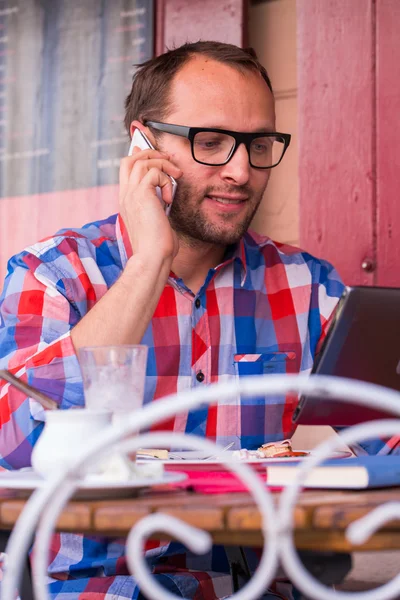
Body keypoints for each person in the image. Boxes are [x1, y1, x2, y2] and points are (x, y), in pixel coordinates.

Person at [0, 40, 398, 600]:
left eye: (258, 144)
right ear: (143, 145)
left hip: (256, 587)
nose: (241, 171)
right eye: (210, 143)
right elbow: (11, 441)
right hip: (91, 589)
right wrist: (149, 263)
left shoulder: (307, 285)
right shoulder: (53, 274)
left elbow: (390, 432)